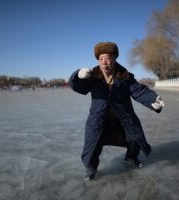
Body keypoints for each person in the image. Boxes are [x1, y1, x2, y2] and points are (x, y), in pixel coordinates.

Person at [69, 42, 164, 181]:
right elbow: (79, 87)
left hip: (122, 117)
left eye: (107, 58)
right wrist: (77, 76)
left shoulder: (124, 76)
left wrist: (152, 100)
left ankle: (131, 158)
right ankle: (91, 168)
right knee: (92, 144)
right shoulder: (92, 76)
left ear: (114, 58)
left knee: (134, 136)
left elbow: (138, 90)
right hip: (99, 119)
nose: (104, 62)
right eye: (100, 59)